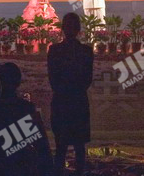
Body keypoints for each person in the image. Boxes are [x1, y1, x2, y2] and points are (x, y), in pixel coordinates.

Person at [47, 13, 94, 176]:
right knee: (79, 145)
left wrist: (64, 91)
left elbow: (53, 79)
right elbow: (87, 79)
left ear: (63, 29)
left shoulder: (54, 50)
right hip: (78, 101)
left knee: (61, 145)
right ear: (79, 29)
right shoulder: (86, 51)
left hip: (61, 101)